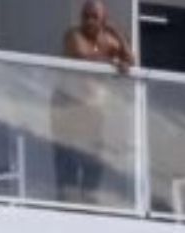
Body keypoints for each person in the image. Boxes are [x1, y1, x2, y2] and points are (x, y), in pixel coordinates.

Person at [53, 1, 135, 203]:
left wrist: (117, 33)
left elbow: (131, 60)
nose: (88, 21)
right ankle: (67, 211)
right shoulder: (73, 35)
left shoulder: (108, 39)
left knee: (94, 164)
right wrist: (113, 63)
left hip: (93, 114)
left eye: (94, 17)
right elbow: (83, 58)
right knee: (67, 166)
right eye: (85, 16)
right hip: (67, 111)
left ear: (103, 20)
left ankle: (89, 207)